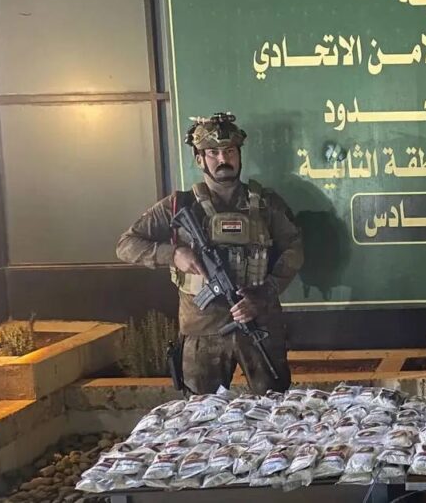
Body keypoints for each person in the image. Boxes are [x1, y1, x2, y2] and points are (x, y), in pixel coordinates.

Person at [116, 112, 303, 395]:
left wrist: (263, 294)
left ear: (239, 155)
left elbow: (294, 250)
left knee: (273, 405)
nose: (222, 159)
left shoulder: (266, 203)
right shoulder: (178, 205)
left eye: (230, 151)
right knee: (202, 411)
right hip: (202, 329)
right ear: (199, 159)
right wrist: (173, 254)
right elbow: (126, 245)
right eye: (213, 153)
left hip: (258, 322)